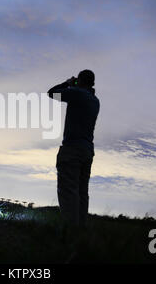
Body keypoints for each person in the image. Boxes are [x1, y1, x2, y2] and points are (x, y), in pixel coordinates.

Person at [48, 70, 100, 229]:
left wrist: (67, 83)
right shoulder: (95, 100)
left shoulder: (77, 93)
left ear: (80, 80)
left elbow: (52, 93)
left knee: (68, 190)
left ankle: (70, 230)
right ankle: (80, 230)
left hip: (72, 149)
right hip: (87, 150)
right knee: (82, 192)